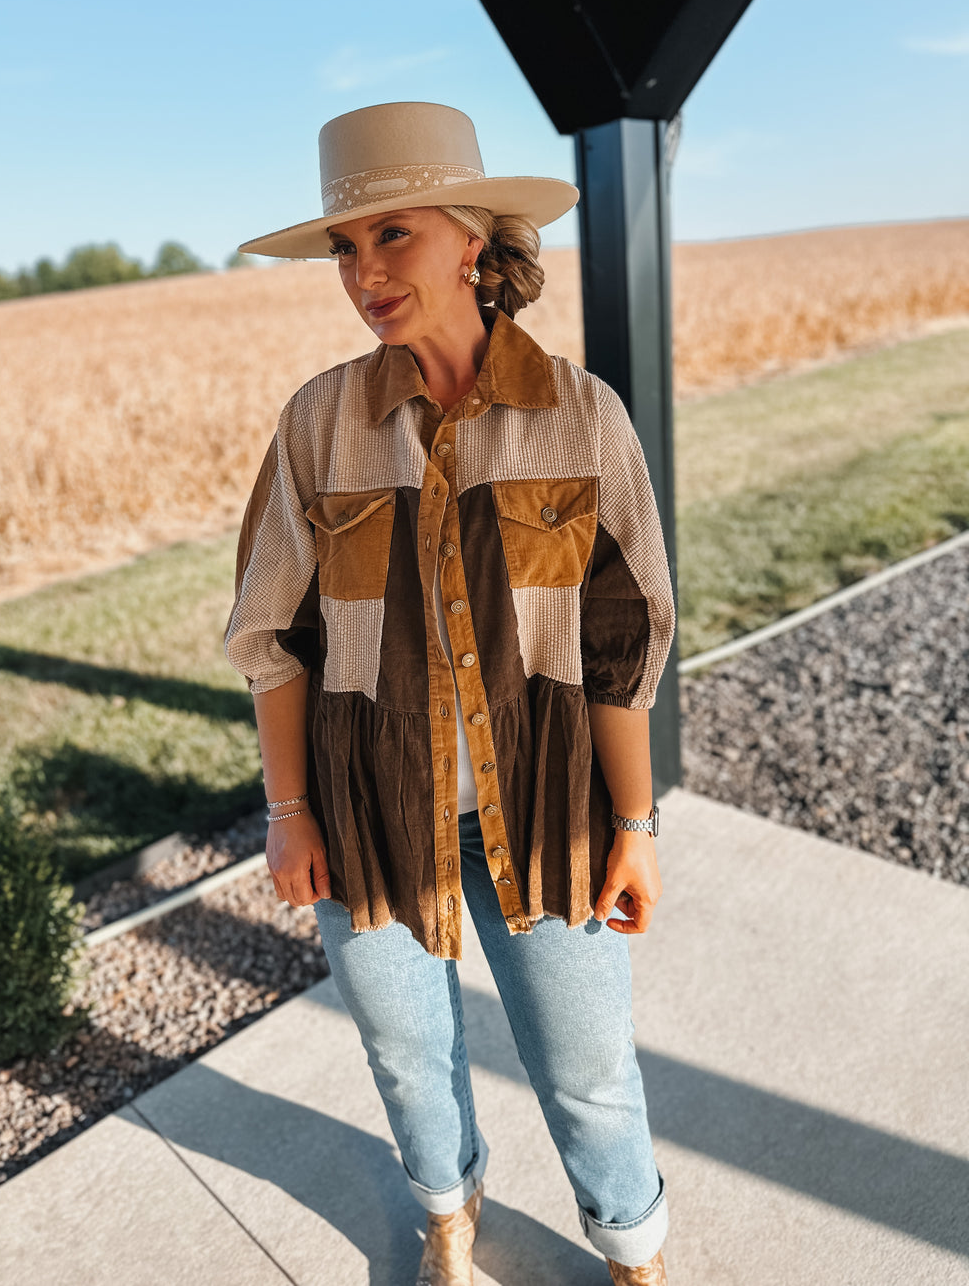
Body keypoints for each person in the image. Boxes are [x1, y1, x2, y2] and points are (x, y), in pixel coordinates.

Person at [225, 102, 675, 1286]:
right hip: (371, 815)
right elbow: (272, 637)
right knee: (406, 1055)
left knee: (585, 1065)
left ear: (472, 239)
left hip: (550, 810)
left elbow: (624, 635)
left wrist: (634, 828)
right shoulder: (320, 424)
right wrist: (289, 812)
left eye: (392, 236)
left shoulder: (580, 416)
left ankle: (633, 1257)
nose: (363, 273)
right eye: (344, 247)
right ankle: (448, 1220)